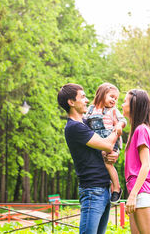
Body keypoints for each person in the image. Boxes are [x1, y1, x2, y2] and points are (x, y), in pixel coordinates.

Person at [57, 83, 120, 234]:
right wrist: (117, 130)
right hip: (92, 190)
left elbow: (105, 148)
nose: (86, 100)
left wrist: (114, 154)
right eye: (82, 97)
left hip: (104, 188)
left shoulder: (85, 123)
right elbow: (106, 144)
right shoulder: (74, 127)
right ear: (71, 102)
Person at [85, 83, 127, 203]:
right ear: (102, 94)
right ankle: (107, 184)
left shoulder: (113, 111)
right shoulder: (91, 109)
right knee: (99, 163)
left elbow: (123, 120)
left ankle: (117, 188)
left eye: (116, 98)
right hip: (96, 140)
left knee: (108, 163)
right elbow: (85, 121)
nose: (114, 100)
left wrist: (119, 125)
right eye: (111, 96)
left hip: (109, 139)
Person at [122, 89, 150, 234]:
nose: (122, 104)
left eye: (125, 101)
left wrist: (133, 195)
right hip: (136, 191)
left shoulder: (141, 129)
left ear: (134, 105)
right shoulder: (135, 130)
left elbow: (146, 165)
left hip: (141, 192)